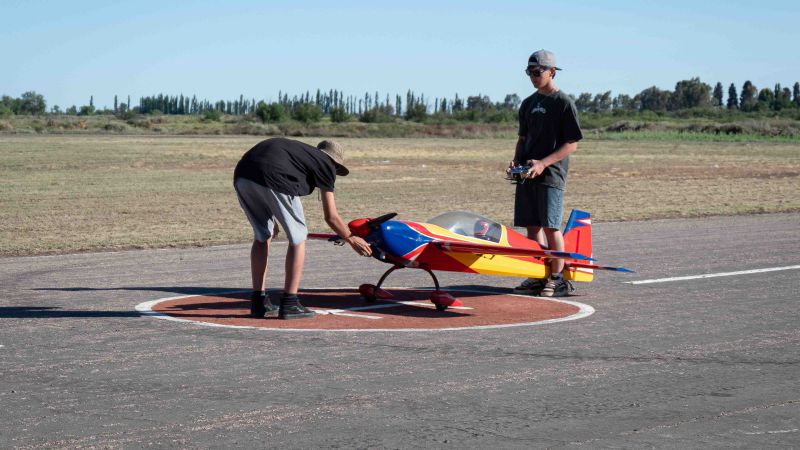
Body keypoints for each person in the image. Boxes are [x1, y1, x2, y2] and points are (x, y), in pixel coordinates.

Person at [233, 137, 372, 319]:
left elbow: (267, 165)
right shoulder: (326, 164)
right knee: (298, 237)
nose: (334, 172)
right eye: (337, 169)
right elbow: (331, 216)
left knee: (263, 235)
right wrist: (350, 238)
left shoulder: (301, 155)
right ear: (334, 162)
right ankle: (290, 302)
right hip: (274, 177)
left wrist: (272, 217)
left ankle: (258, 303)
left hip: (243, 175)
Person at [510, 49, 583, 297]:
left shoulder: (563, 102)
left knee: (551, 226)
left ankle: (558, 277)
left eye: (537, 71)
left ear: (552, 72)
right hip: (528, 175)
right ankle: (538, 274)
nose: (533, 76)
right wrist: (516, 163)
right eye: (529, 72)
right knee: (531, 227)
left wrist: (543, 163)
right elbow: (523, 138)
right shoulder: (528, 103)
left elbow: (571, 143)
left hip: (551, 175)